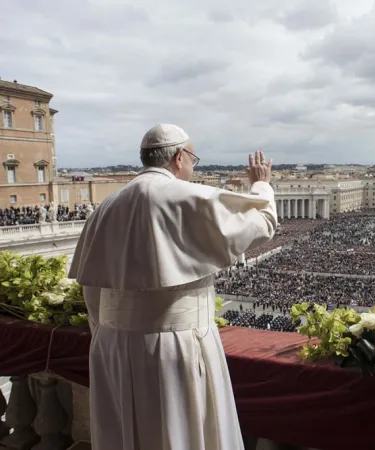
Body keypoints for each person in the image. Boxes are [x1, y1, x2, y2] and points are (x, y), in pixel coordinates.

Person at [68, 124, 277, 450]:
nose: (193, 167)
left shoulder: (105, 207)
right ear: (179, 157)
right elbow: (262, 223)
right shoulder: (190, 196)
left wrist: (110, 334)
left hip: (111, 346)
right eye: (193, 159)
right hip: (175, 346)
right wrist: (261, 184)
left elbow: (93, 290)